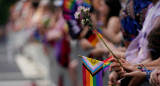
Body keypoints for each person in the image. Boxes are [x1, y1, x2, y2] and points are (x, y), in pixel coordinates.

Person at [109, 0, 160, 85]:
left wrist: (129, 79)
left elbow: (152, 56)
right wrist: (131, 67)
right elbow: (141, 47)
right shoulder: (152, 7)